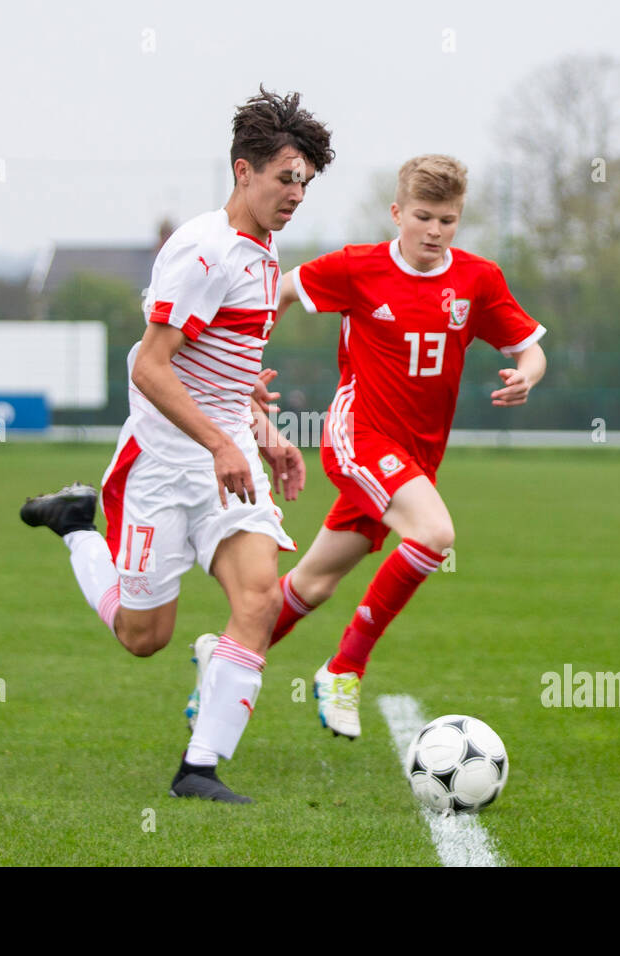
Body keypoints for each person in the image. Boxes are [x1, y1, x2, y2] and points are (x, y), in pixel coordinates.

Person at [20, 86, 333, 803]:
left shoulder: (263, 250)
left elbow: (221, 368)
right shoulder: (202, 251)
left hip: (224, 458)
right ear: (242, 171)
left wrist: (263, 430)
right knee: (144, 637)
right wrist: (222, 443)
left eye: (306, 183)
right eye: (286, 178)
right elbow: (150, 366)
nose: (296, 194)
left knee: (258, 596)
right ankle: (76, 527)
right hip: (160, 465)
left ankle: (199, 770)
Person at [194, 154, 547, 740]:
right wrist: (247, 366)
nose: (435, 231)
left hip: (415, 458)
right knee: (434, 535)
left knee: (313, 583)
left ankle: (223, 656)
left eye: (448, 221)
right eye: (424, 217)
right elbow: (277, 292)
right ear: (397, 213)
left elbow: (528, 347)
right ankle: (344, 669)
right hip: (359, 435)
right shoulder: (360, 268)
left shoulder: (477, 280)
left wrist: (527, 375)